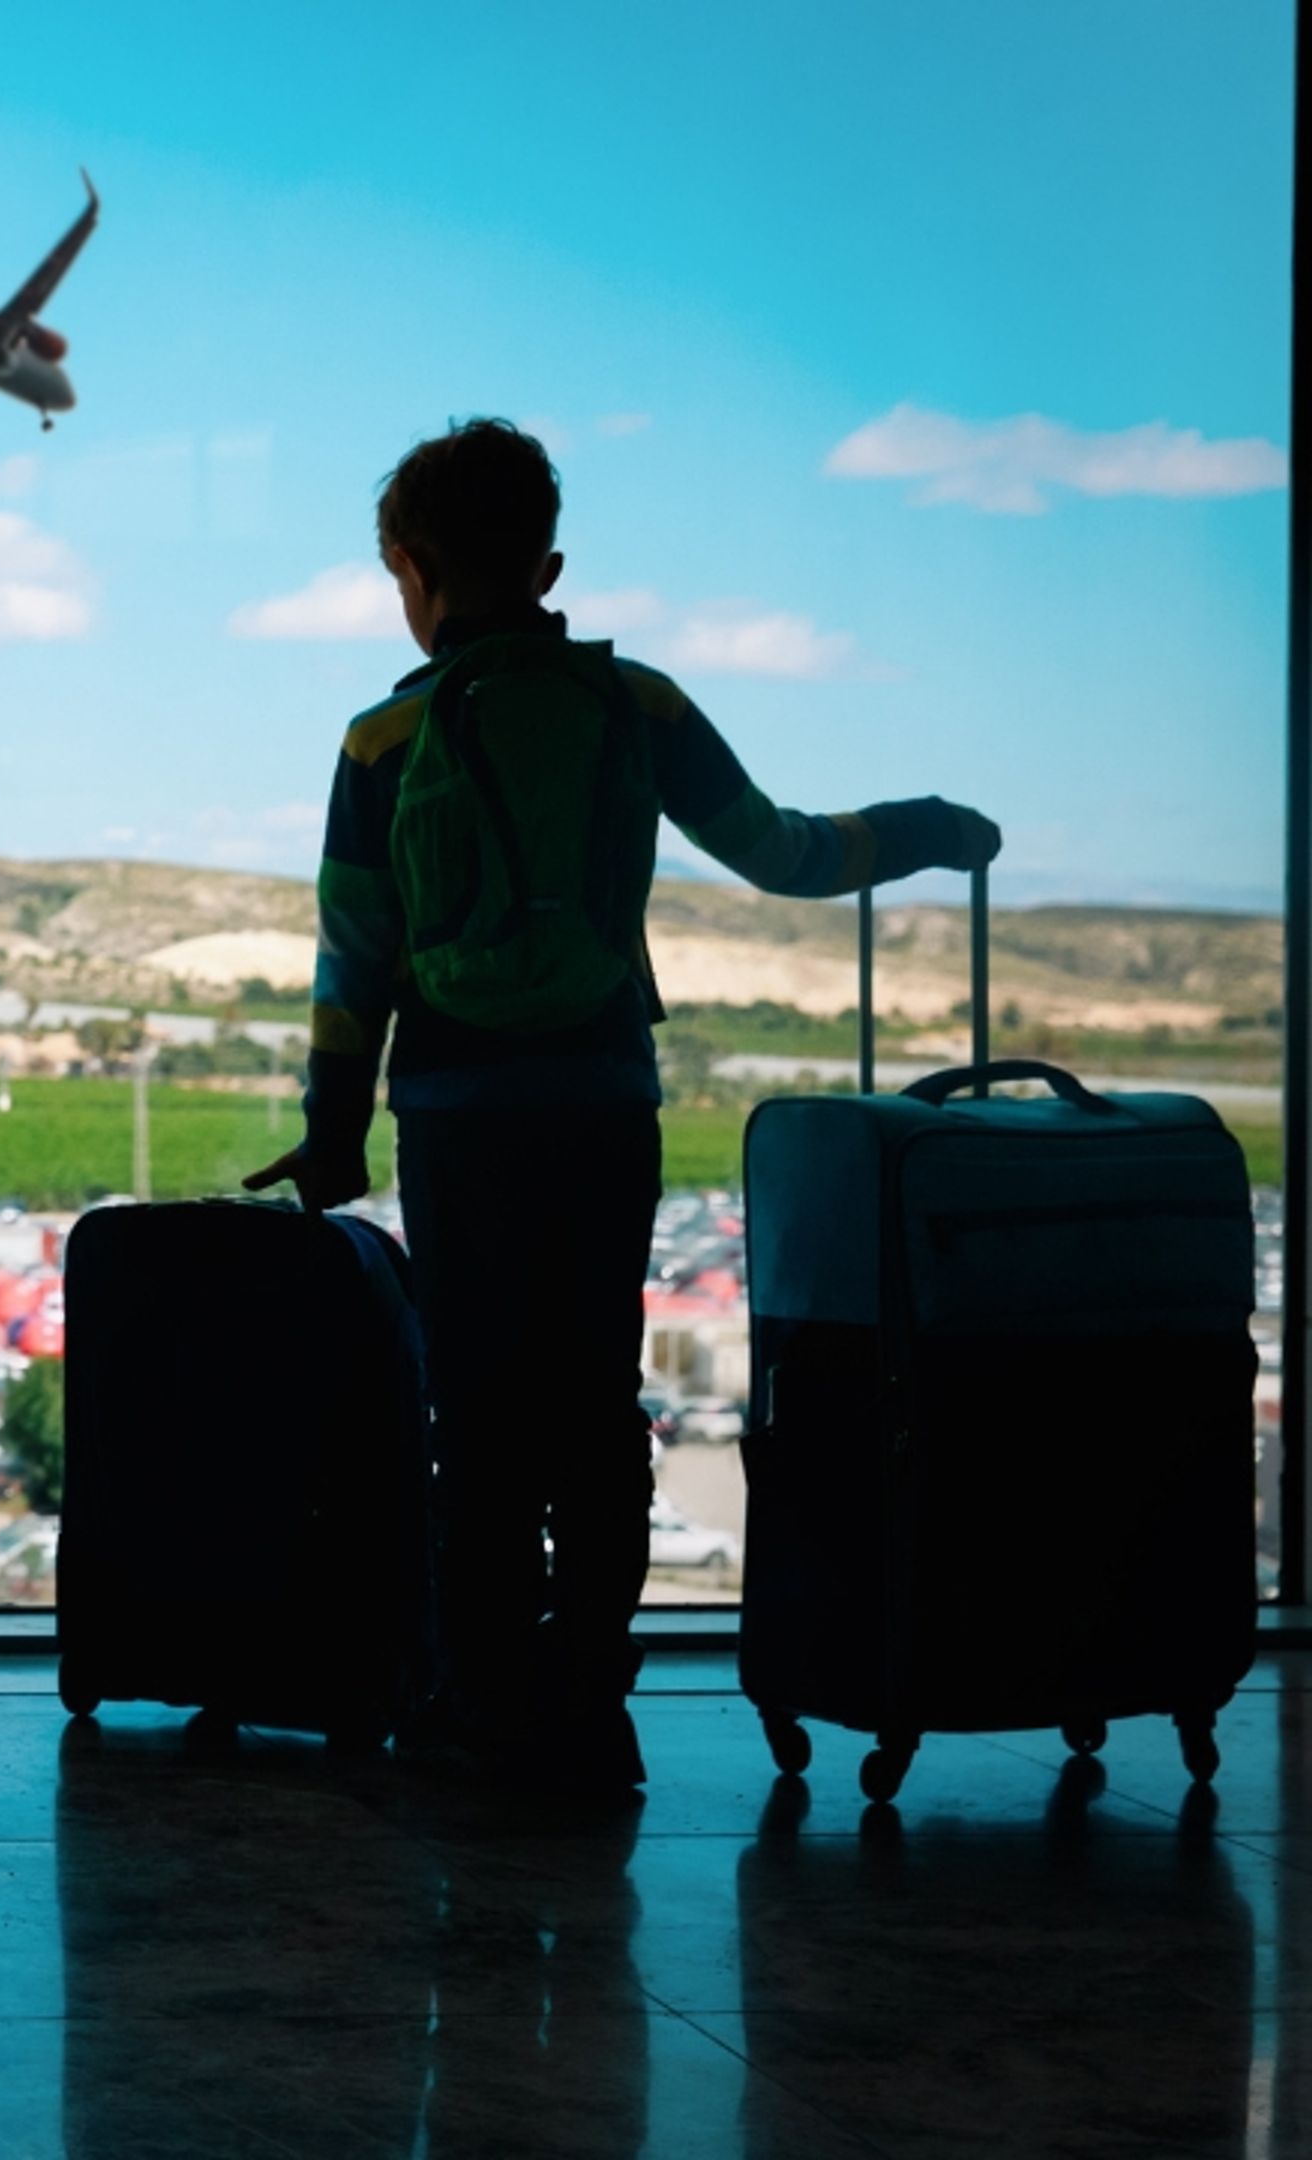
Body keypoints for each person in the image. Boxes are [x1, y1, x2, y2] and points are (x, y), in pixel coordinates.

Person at [246, 418, 1000, 1793]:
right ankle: (592, 1696)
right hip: (602, 1099)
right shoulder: (634, 706)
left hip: (456, 1112)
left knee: (473, 1412)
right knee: (594, 1403)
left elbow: (354, 959)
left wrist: (334, 1126)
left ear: (411, 569)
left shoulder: (382, 739)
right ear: (548, 562)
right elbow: (785, 852)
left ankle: (480, 1700)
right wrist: (932, 827)